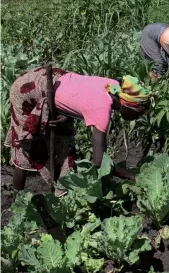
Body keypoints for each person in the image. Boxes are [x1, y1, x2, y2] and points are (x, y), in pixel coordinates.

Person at [5, 66, 152, 195]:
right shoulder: (101, 109)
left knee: (64, 144)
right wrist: (132, 177)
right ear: (127, 105)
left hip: (52, 81)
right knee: (24, 146)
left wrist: (64, 114)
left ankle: (62, 191)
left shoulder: (114, 86)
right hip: (27, 90)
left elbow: (79, 94)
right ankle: (18, 200)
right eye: (139, 112)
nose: (138, 117)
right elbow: (99, 161)